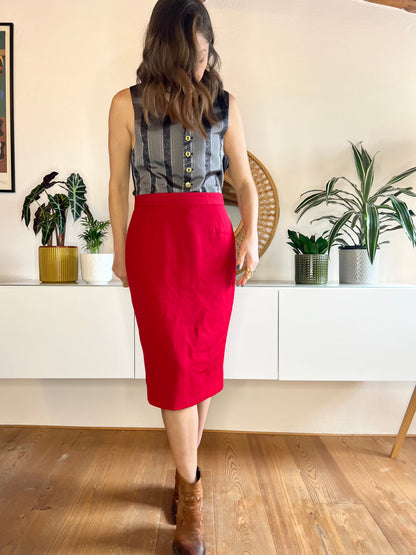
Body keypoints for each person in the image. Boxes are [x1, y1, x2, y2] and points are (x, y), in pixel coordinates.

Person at [108, 0, 258, 552]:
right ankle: (192, 493)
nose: (201, 63)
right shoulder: (126, 105)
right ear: (165, 49)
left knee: (200, 364)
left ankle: (183, 475)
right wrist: (121, 250)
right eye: (191, 53)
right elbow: (117, 188)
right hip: (154, 244)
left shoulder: (224, 105)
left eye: (206, 52)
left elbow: (242, 183)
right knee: (172, 367)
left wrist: (251, 236)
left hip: (210, 244)